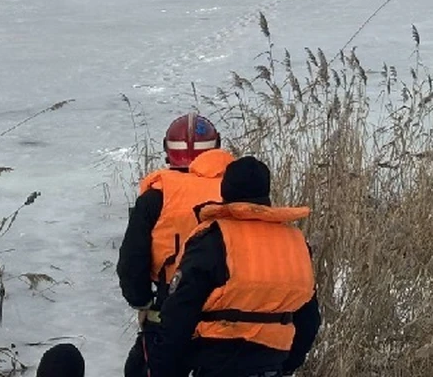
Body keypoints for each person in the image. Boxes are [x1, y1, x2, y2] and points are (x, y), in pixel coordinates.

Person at [147, 156, 321, 377]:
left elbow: (179, 313)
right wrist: (287, 365)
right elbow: (310, 319)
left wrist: (164, 369)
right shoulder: (295, 244)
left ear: (224, 191)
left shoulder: (212, 239)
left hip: (216, 365)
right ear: (266, 193)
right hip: (271, 365)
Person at [117, 112, 234, 377]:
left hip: (166, 315)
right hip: (229, 319)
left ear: (168, 151)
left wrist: (142, 303)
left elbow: (132, 262)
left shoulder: (155, 198)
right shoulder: (234, 192)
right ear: (216, 147)